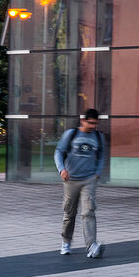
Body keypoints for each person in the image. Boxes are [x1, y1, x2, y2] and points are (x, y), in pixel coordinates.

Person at [53, 108, 106, 258]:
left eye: (95, 123)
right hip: (71, 180)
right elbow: (58, 152)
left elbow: (101, 156)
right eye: (90, 123)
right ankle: (66, 241)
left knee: (88, 212)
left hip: (89, 180)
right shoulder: (71, 134)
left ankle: (92, 246)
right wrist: (61, 169)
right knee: (70, 213)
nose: (93, 126)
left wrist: (97, 172)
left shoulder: (98, 136)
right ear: (83, 120)